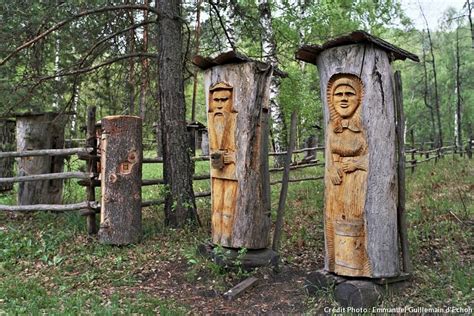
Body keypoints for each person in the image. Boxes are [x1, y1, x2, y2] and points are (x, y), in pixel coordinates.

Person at [324, 74, 371, 277]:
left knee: (357, 223)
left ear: (359, 98)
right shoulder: (331, 128)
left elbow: (378, 157)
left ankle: (362, 269)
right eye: (338, 94)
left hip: (359, 186)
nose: (343, 98)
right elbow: (328, 155)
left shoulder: (365, 127)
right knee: (333, 221)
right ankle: (335, 265)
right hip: (336, 187)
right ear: (331, 100)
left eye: (349, 94)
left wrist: (358, 163)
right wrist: (331, 168)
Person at [208, 82, 238, 246]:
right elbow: (212, 147)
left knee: (228, 207)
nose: (219, 105)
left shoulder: (235, 119)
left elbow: (247, 149)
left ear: (231, 101)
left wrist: (233, 156)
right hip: (216, 172)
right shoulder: (212, 119)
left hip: (233, 173)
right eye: (216, 100)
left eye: (223, 100)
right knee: (216, 206)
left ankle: (227, 239)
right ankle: (217, 238)